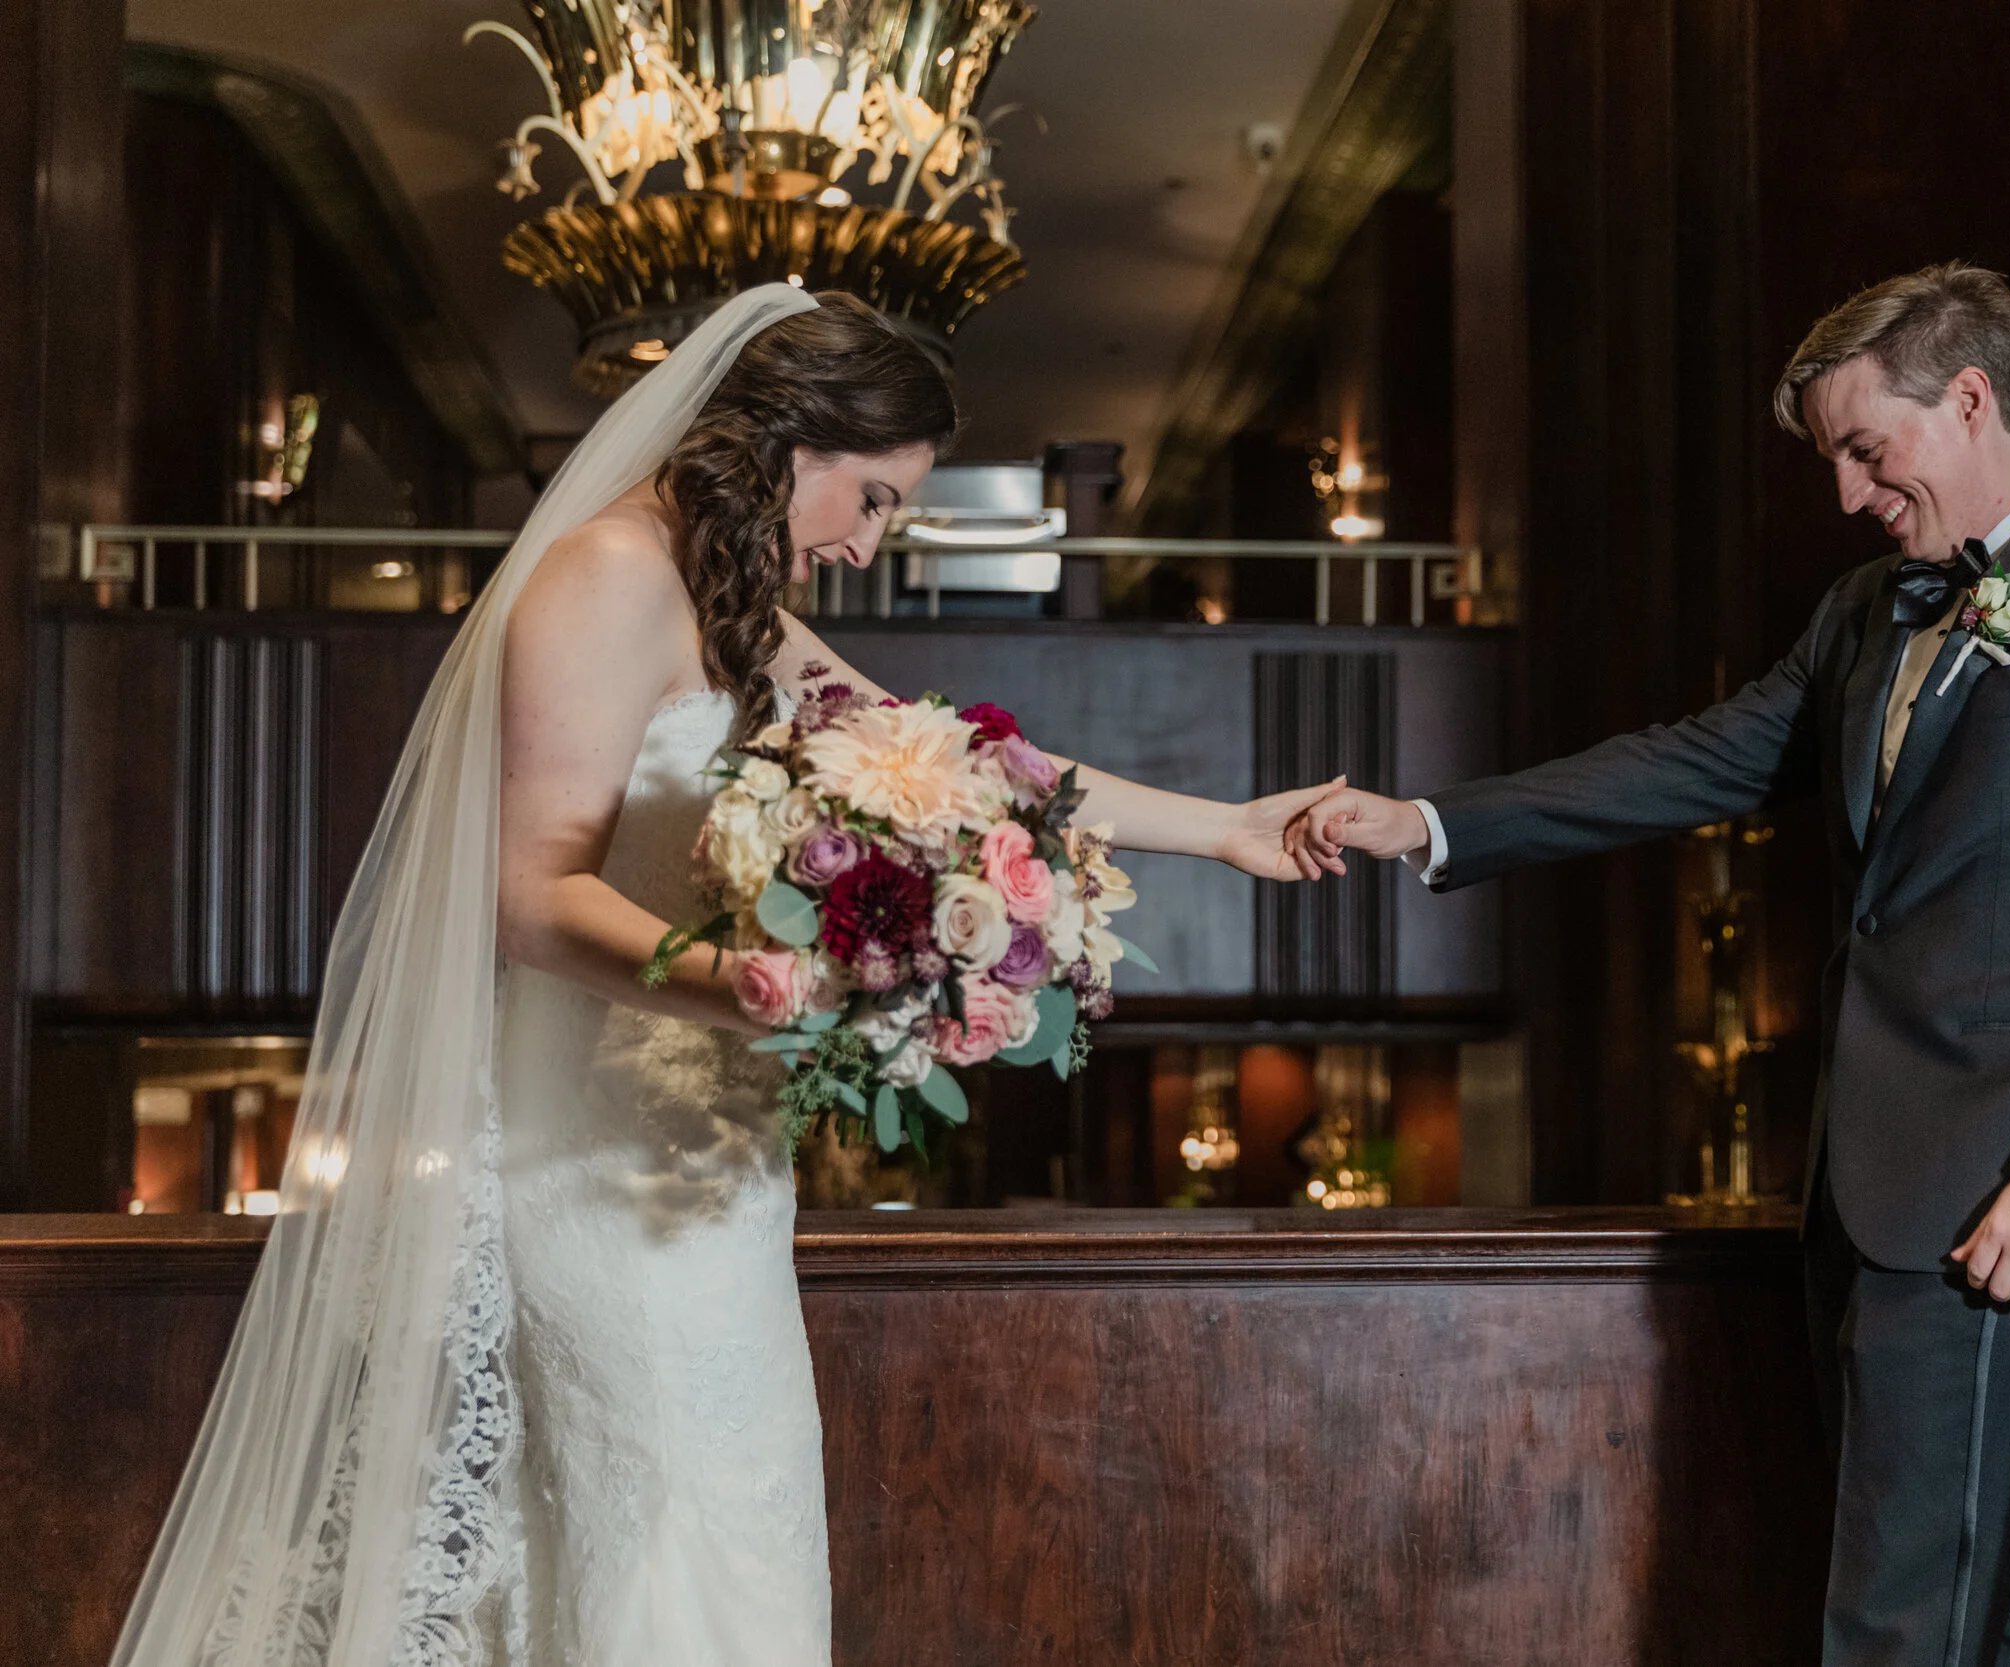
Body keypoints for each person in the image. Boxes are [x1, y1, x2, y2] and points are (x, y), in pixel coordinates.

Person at [111, 287, 1338, 1667]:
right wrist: (766, 989)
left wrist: (1228, 829)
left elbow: (971, 768)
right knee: (688, 1535)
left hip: (710, 1158)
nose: (868, 544)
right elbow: (529, 897)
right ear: (792, 437)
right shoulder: (602, 575)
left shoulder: (723, 598)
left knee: (731, 1525)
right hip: (598, 1158)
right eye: (872, 498)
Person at [1290, 262, 2010, 1665]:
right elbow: (1692, 761)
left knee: (1899, 1623)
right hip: (1868, 1195)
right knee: (1972, 1613)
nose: (1849, 494)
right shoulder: (1866, 609)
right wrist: (1429, 823)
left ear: (1972, 398)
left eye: (1866, 450)